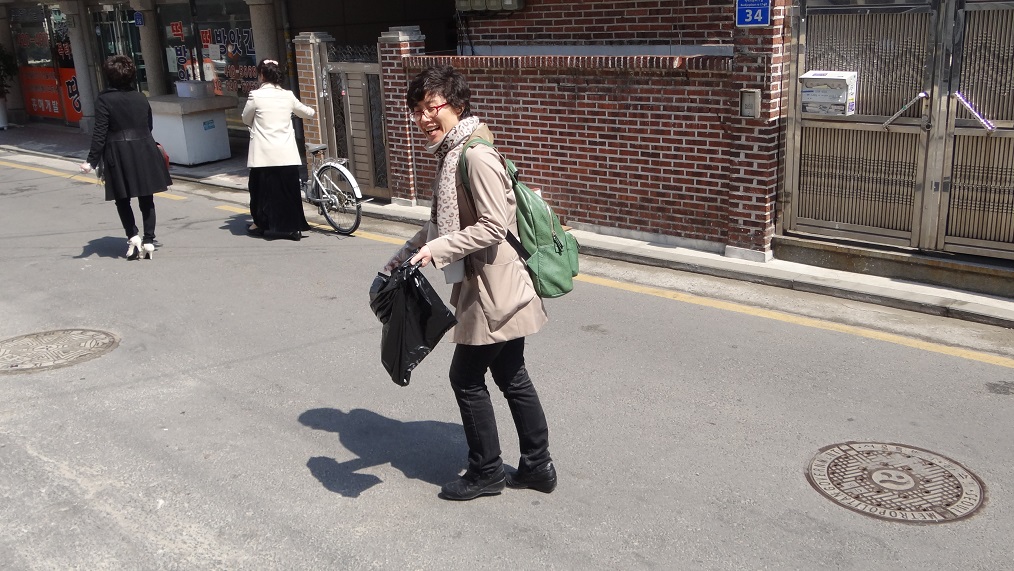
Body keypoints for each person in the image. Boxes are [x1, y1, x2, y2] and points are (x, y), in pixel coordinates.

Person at [382, 65, 557, 501]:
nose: (423, 117)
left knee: (465, 378)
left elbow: (493, 226)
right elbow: (441, 224)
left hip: (492, 288)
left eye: (431, 107)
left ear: (457, 105)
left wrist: (436, 251)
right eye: (417, 110)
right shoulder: (452, 153)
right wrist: (401, 257)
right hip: (494, 281)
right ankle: (538, 466)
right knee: (511, 375)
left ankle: (486, 471)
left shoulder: (474, 156)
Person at [80, 55, 172, 260]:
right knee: (146, 198)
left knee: (122, 199)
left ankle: (133, 236)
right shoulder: (140, 97)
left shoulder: (104, 99)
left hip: (118, 152)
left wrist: (91, 161)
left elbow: (100, 133)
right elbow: (149, 126)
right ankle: (149, 240)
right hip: (145, 148)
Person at [242, 59, 315, 241]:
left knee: (261, 193)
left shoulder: (255, 96)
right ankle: (293, 227)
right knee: (289, 193)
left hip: (263, 156)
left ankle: (260, 224)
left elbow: (245, 118)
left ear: (262, 75)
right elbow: (307, 113)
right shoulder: (288, 95)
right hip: (286, 154)